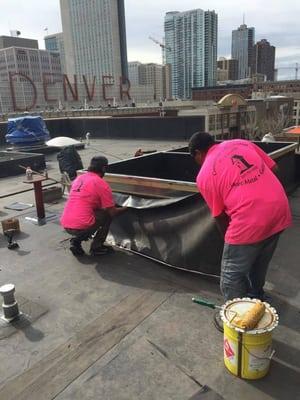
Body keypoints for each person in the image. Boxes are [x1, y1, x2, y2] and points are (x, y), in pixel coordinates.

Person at [189, 132, 292, 303]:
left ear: (198, 153)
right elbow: (275, 169)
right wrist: (269, 197)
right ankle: (257, 297)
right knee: (260, 261)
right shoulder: (240, 143)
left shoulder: (205, 175)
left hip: (250, 220)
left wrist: (231, 243)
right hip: (279, 209)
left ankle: (239, 320)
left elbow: (220, 216)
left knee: (231, 276)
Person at [61, 156, 127, 256]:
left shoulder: (79, 179)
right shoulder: (101, 183)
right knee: (107, 215)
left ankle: (76, 241)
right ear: (104, 168)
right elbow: (112, 212)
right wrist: (128, 208)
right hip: (80, 226)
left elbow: (85, 201)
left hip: (66, 223)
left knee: (95, 214)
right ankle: (97, 247)